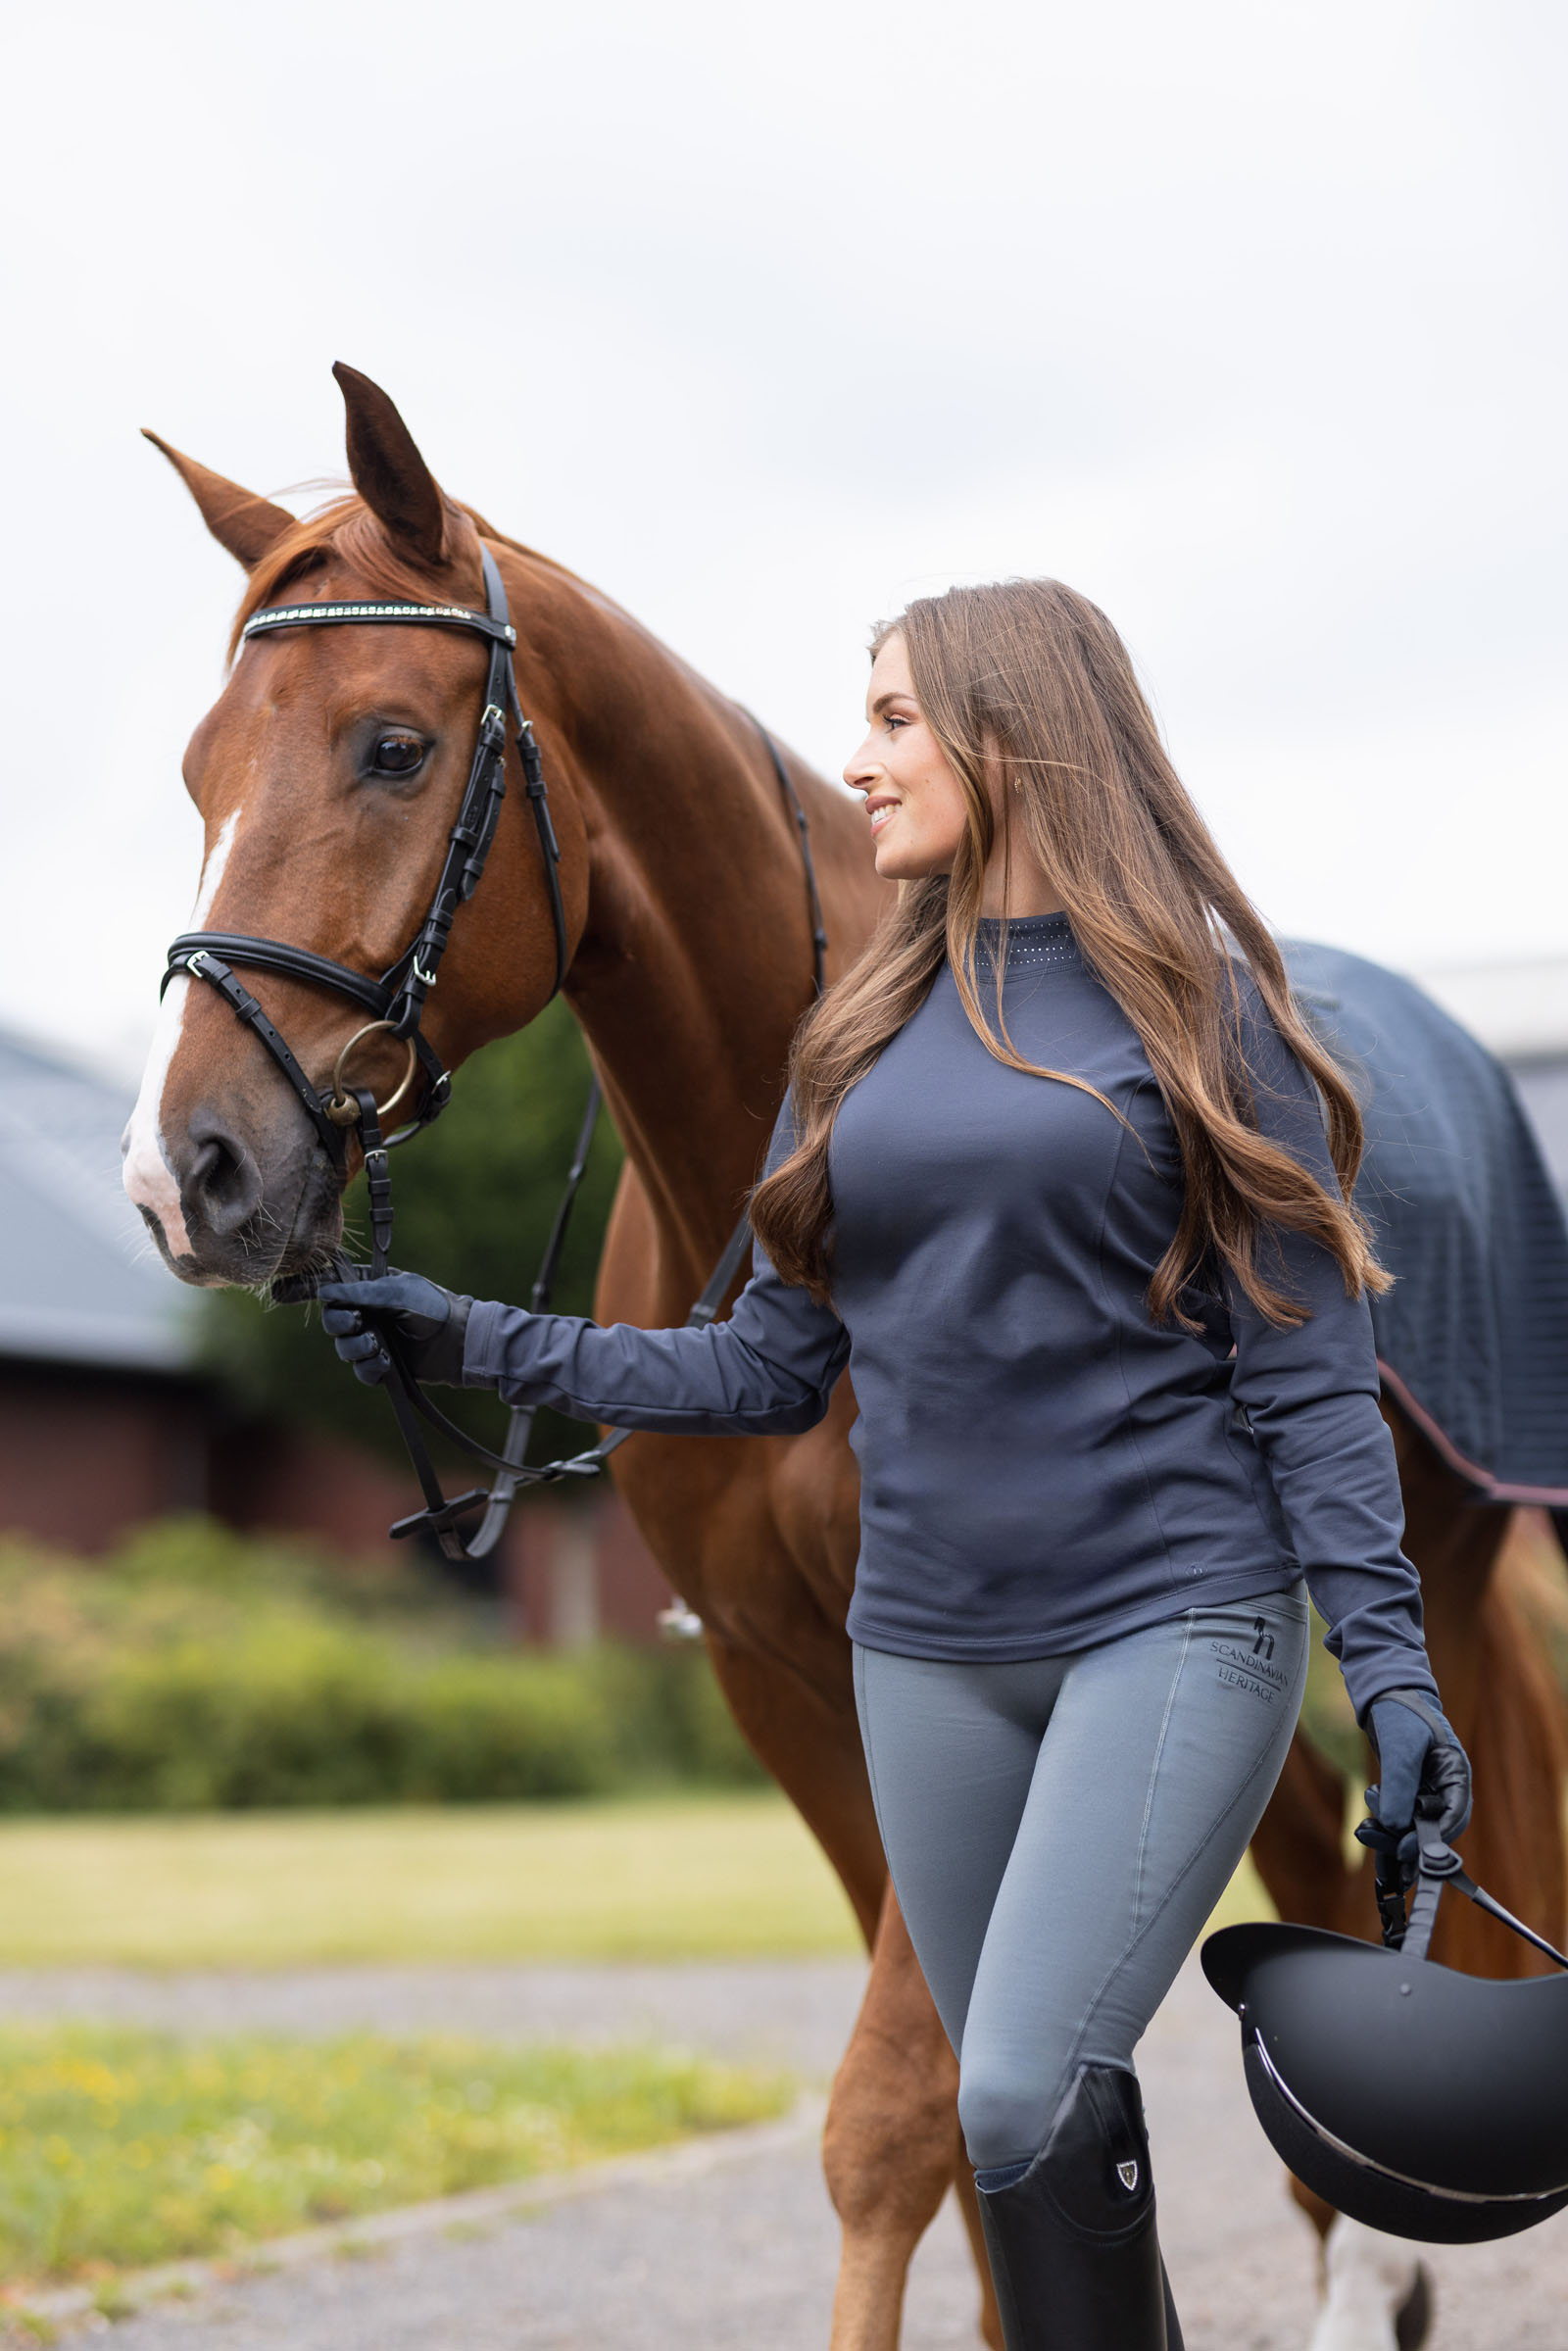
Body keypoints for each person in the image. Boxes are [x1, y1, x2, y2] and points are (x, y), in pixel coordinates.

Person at [318, 579, 1471, 2351]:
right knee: (1043, 2128)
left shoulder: (1201, 1013)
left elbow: (1309, 1380)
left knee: (1009, 2093)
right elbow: (770, 1363)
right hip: (927, 1650)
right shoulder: (856, 1035)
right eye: (859, 719)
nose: (855, 763)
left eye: (894, 721)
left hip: (1167, 1626)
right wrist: (465, 1333)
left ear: (1013, 734)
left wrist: (1388, 1676)